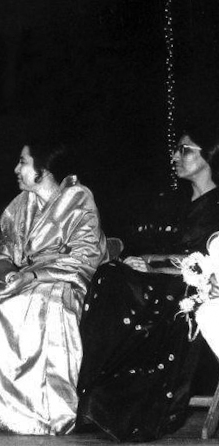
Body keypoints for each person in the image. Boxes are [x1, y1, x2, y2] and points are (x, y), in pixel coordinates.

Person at [0, 142, 108, 435]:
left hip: (64, 281)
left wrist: (33, 277)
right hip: (24, 281)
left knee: (45, 302)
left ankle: (47, 412)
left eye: (23, 162)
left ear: (44, 169)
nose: (16, 169)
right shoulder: (18, 206)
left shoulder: (79, 198)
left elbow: (85, 257)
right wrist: (10, 277)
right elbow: (2, 256)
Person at [76, 124, 219, 442]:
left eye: (185, 149)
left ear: (209, 155)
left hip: (192, 290)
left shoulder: (216, 207)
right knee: (110, 276)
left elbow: (200, 264)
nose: (175, 156)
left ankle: (120, 404)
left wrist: (153, 270)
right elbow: (157, 249)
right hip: (161, 280)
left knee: (125, 289)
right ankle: (91, 398)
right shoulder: (173, 202)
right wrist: (140, 263)